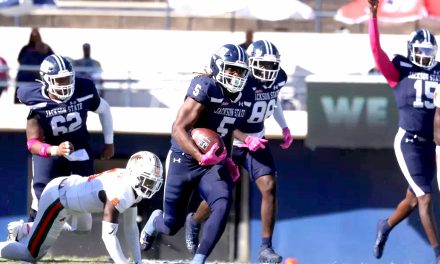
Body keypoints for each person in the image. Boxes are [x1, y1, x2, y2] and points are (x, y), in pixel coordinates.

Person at [139, 44, 254, 264]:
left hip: (212, 162)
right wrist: (200, 156)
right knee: (171, 225)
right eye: (231, 69)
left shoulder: (246, 93)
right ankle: (155, 221)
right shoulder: (205, 86)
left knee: (223, 201)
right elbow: (178, 128)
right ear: (218, 67)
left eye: (240, 71)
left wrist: (227, 158)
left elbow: (226, 129)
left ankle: (198, 261)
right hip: (184, 158)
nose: (236, 76)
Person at [184, 40, 293, 264]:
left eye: (272, 65)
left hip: (257, 140)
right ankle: (194, 220)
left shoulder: (278, 77)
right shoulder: (239, 81)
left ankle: (265, 247)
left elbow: (274, 99)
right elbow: (227, 117)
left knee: (269, 186)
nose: (268, 70)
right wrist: (244, 138)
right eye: (262, 64)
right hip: (230, 140)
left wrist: (284, 126)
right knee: (222, 193)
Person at [368, 0, 440, 263]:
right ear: (411, 50)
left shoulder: (439, 71)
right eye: (420, 50)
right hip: (408, 141)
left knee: (411, 201)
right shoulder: (401, 69)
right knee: (425, 198)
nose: (424, 55)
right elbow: (377, 52)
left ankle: (385, 226)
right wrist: (373, 18)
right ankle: (438, 255)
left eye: (428, 50)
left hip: (432, 145)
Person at [1, 151, 164, 264]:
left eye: (153, 182)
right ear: (134, 175)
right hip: (58, 199)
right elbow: (108, 237)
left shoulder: (132, 187)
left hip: (75, 195)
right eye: (147, 181)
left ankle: (26, 229)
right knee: (31, 255)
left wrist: (137, 261)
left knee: (83, 227)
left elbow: (130, 227)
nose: (149, 187)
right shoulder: (120, 192)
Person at [14, 54, 114, 231]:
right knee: (41, 201)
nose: (65, 84)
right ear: (46, 80)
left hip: (79, 149)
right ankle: (25, 231)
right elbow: (32, 144)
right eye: (59, 81)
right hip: (50, 152)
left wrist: (109, 142)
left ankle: (53, 225)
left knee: (84, 226)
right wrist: (55, 150)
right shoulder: (34, 98)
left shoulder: (84, 88)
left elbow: (104, 109)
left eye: (67, 79)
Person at [15, 27, 54, 103]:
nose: (34, 38)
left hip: (40, 78)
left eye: (36, 35)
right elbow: (20, 60)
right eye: (33, 35)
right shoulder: (26, 49)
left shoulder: (45, 48)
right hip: (26, 78)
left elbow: (52, 60)